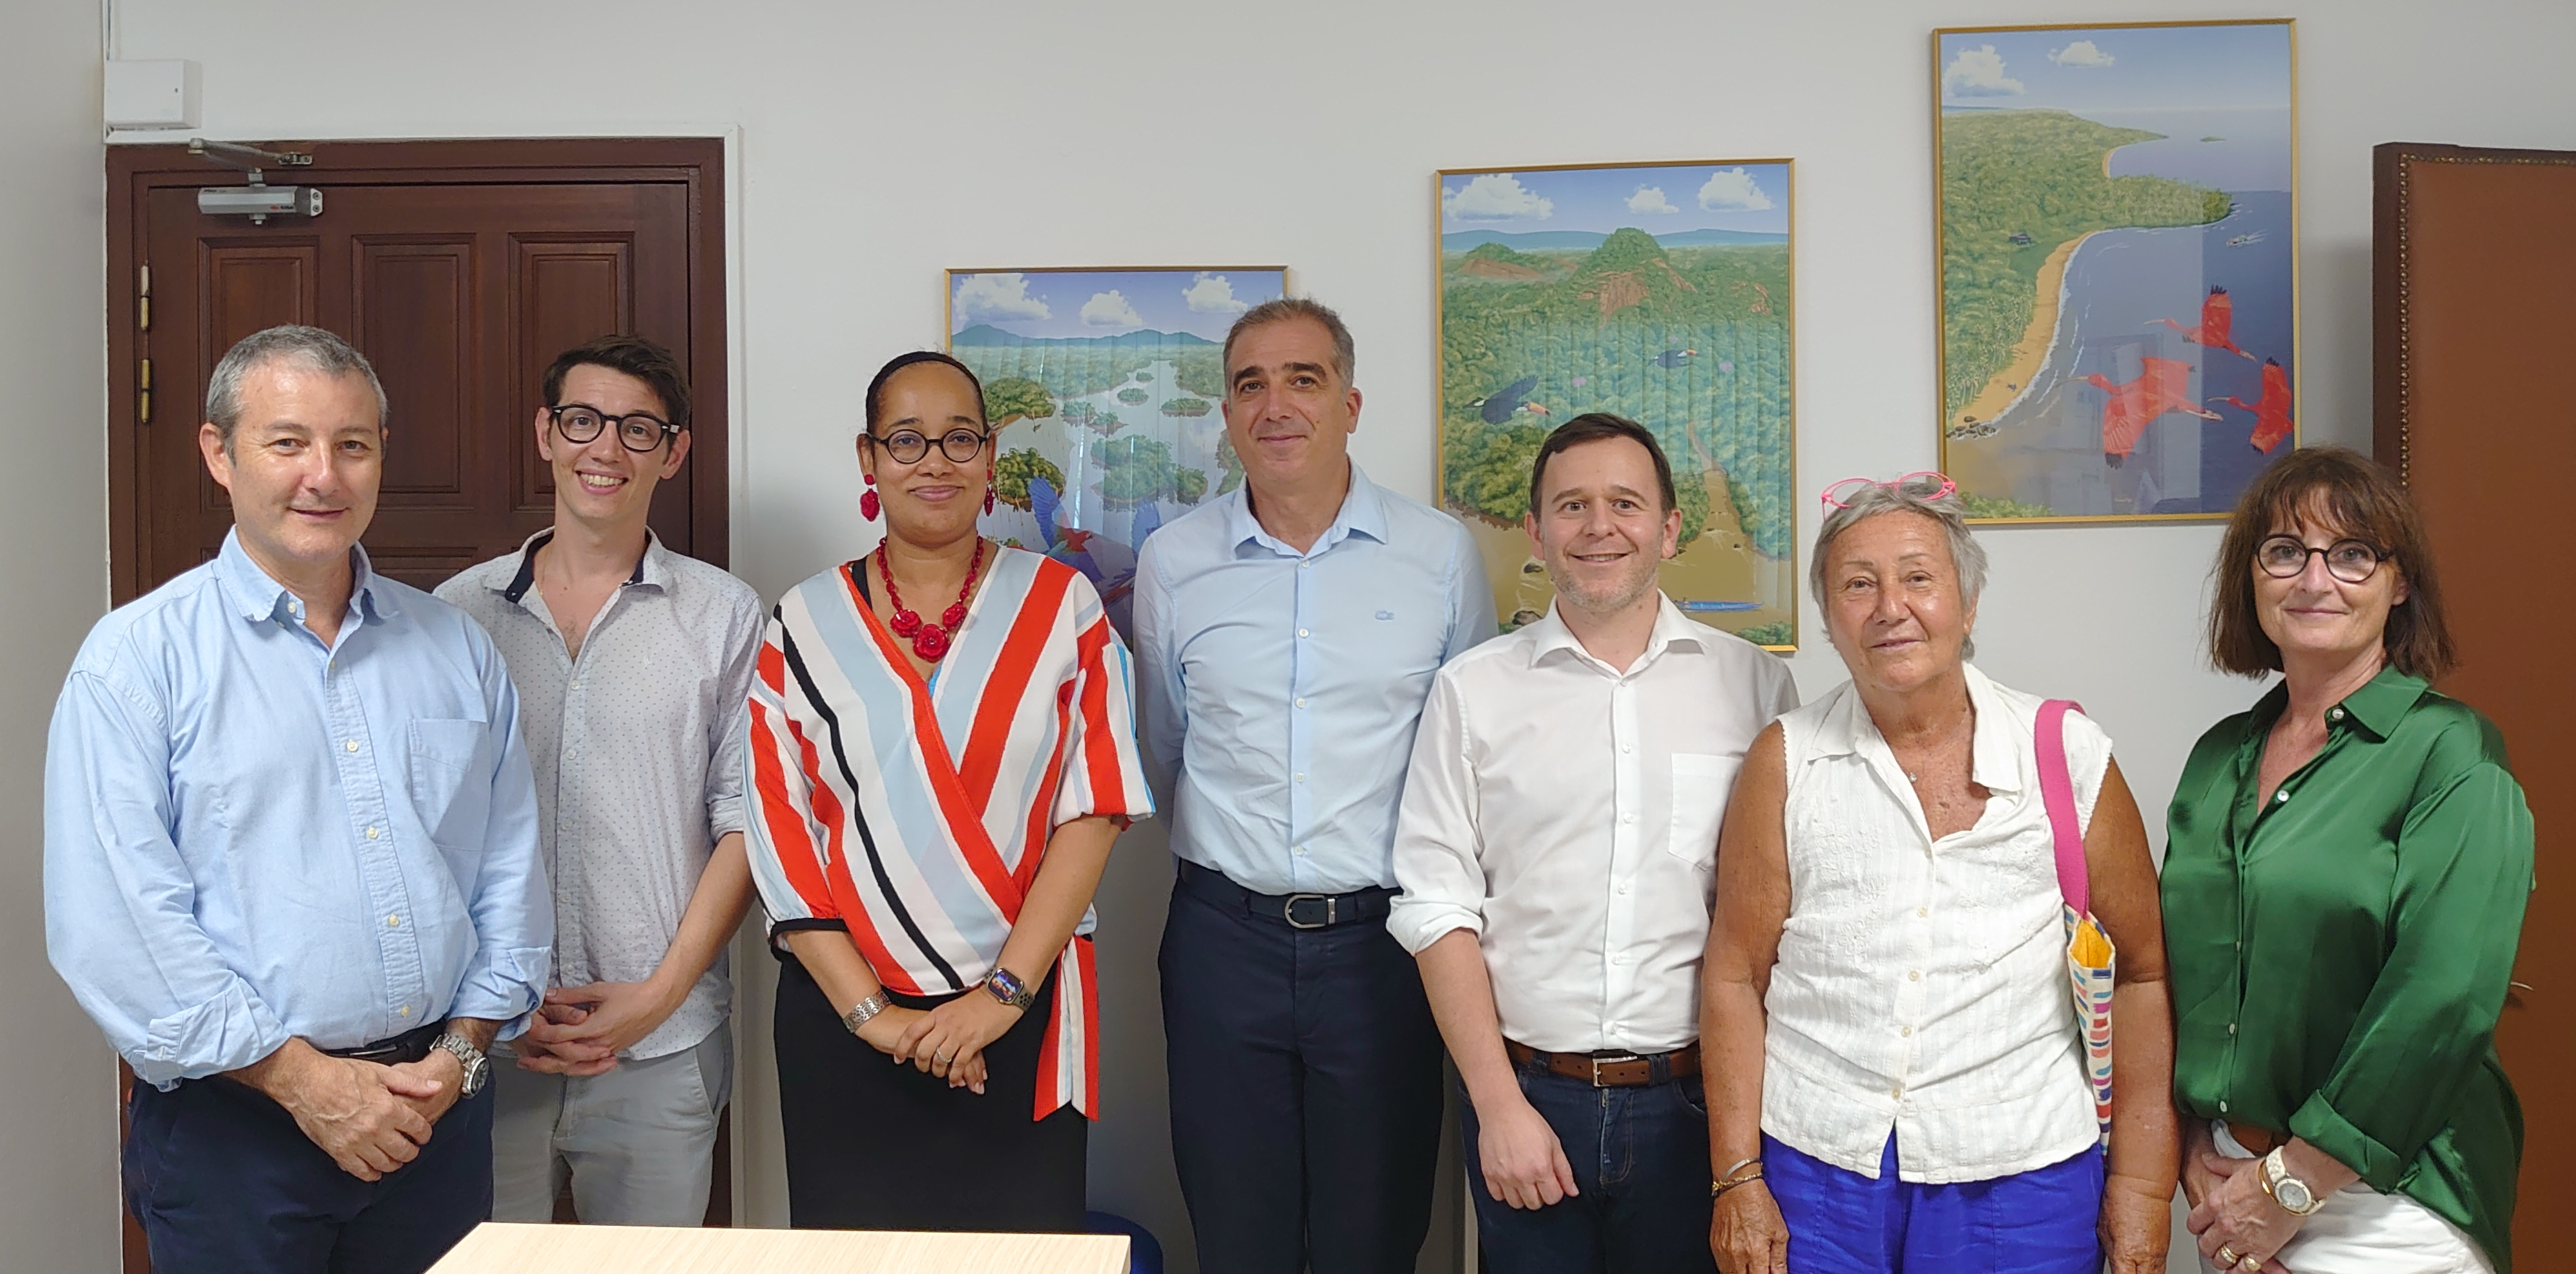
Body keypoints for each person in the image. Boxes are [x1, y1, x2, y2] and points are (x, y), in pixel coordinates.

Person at [45, 325, 548, 1273]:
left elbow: (509, 876)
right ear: (218, 453)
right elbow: (119, 925)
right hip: (236, 1134)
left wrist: (465, 1053)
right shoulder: (137, 662)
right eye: (287, 442)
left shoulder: (456, 649)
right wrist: (301, 1081)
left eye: (352, 445)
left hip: (435, 1117)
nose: (323, 474)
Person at [1701, 472, 2177, 1274]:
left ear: (1968, 600)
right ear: (1828, 616)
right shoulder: (1785, 759)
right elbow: (1731, 976)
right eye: (1857, 584)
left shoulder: (2063, 751)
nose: (1890, 606)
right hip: (1815, 1175)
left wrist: (2140, 1185)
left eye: (1918, 577)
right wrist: (1736, 1178)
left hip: (2023, 1178)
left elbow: (2139, 975)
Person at [743, 350, 1151, 1231]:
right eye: (907, 440)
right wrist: (877, 1021)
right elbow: (781, 839)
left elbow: (1096, 808)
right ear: (867, 457)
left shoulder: (1062, 605)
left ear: (991, 453)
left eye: (959, 438)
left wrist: (995, 1000)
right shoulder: (801, 621)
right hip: (844, 1022)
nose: (935, 461)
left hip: (1016, 1009)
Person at [1134, 296, 1491, 1273]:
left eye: (1304, 378)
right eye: (1251, 383)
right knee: (1237, 1233)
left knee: (1371, 1240)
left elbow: (1467, 758)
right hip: (1222, 941)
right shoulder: (1174, 564)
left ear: (1352, 402)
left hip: (1387, 949)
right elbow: (1166, 743)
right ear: (1227, 413)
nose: (1276, 404)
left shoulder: (1439, 556)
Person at [1391, 415, 1797, 1272]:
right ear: (1536, 531)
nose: (1598, 527)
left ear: (1669, 527)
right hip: (1528, 1099)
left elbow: (1776, 909)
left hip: (1701, 1103)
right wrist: (1495, 1105)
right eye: (1570, 506)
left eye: (1624, 503)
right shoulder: (1471, 691)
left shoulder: (1757, 685)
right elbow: (1434, 905)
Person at [2166, 446, 2529, 1274]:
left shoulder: (2452, 751)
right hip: (2231, 1183)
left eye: (2352, 553)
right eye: (2284, 550)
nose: (2313, 579)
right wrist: (2195, 1141)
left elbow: (2441, 994)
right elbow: (2185, 972)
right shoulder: (2217, 757)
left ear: (2398, 584)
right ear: (2250, 577)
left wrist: (2292, 1182)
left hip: (2386, 1200)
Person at [435, 334, 763, 1225]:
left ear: (675, 450)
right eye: (584, 420)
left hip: (662, 1043)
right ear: (547, 432)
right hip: (488, 1046)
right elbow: (429, 834)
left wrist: (653, 999)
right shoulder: (455, 617)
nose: (606, 449)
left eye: (638, 428)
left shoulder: (725, 615)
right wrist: (492, 1004)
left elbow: (748, 823)